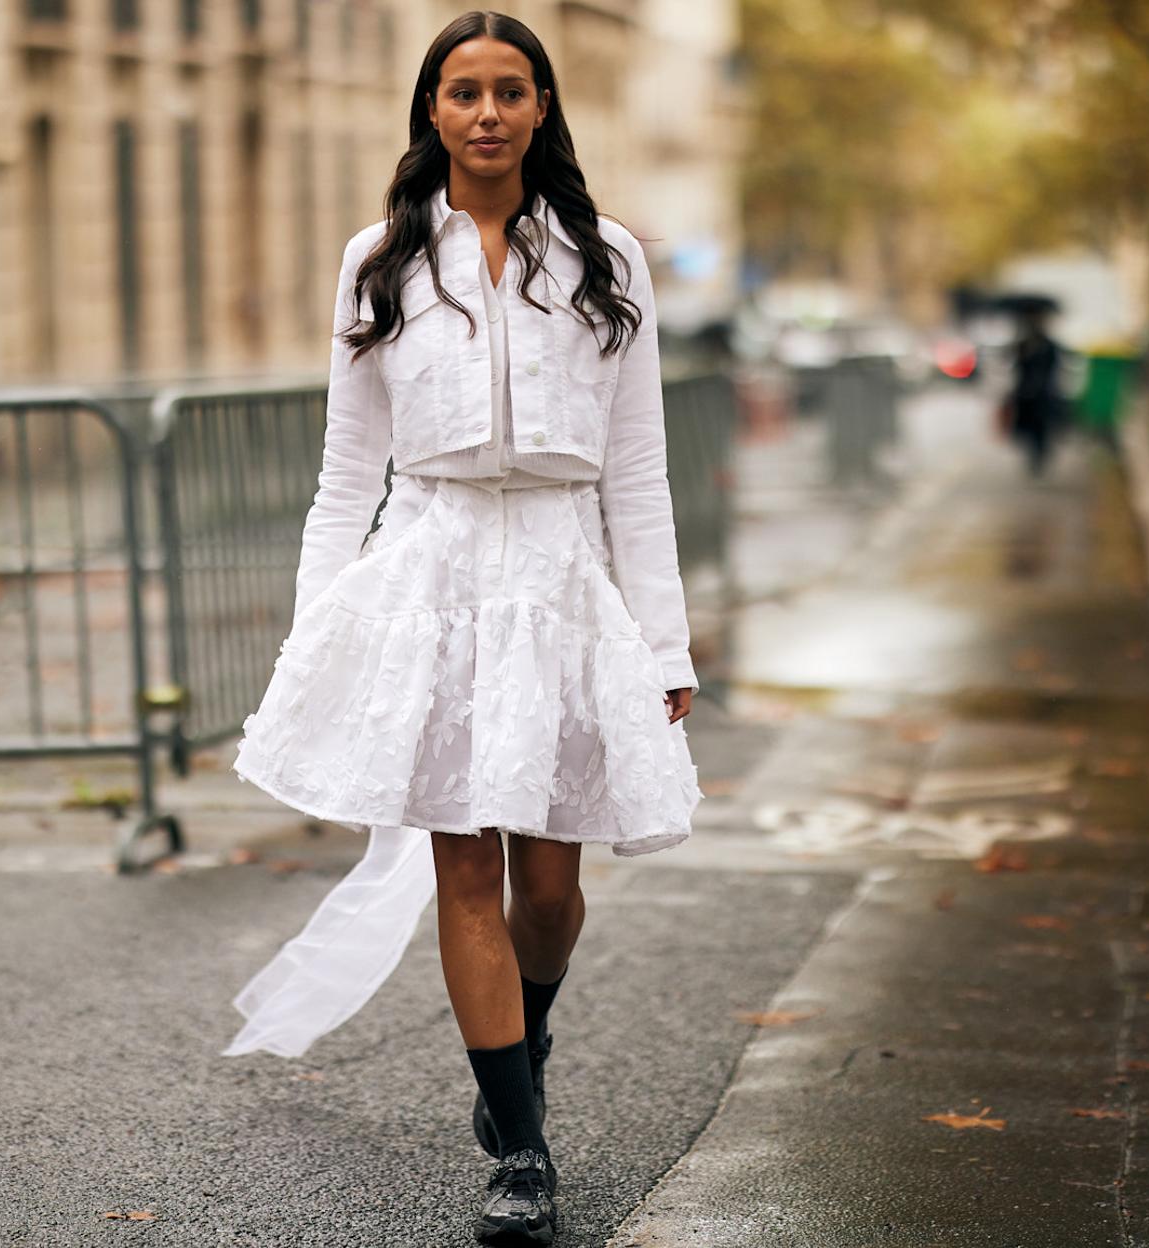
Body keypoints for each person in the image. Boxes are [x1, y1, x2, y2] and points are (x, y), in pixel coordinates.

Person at [222, 10, 702, 1245]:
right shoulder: (378, 258)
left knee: (551, 880)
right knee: (465, 867)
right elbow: (347, 473)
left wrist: (665, 642)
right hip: (428, 578)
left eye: (509, 90)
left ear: (542, 107)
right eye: (462, 92)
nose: (486, 113)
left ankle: (523, 1046)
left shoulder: (610, 259)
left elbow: (637, 474)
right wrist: (317, 633)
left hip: (559, 579)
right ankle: (520, 1149)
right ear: (431, 111)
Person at [1006, 306, 1065, 477]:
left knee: (1042, 427)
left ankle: (1040, 456)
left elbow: (1054, 365)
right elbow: (1015, 365)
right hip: (1025, 393)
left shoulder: (1049, 345)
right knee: (1028, 427)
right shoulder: (1022, 344)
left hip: (1044, 394)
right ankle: (1033, 456)